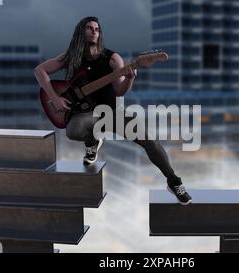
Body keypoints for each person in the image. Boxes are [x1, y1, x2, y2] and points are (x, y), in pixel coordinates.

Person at [34, 16, 192, 205]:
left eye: (97, 29)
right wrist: (54, 97)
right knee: (73, 130)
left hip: (113, 111)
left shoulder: (112, 58)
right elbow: (40, 70)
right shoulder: (71, 56)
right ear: (80, 32)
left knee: (150, 141)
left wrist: (130, 79)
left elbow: (119, 91)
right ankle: (93, 141)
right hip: (87, 113)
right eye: (89, 28)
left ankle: (174, 182)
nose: (94, 31)